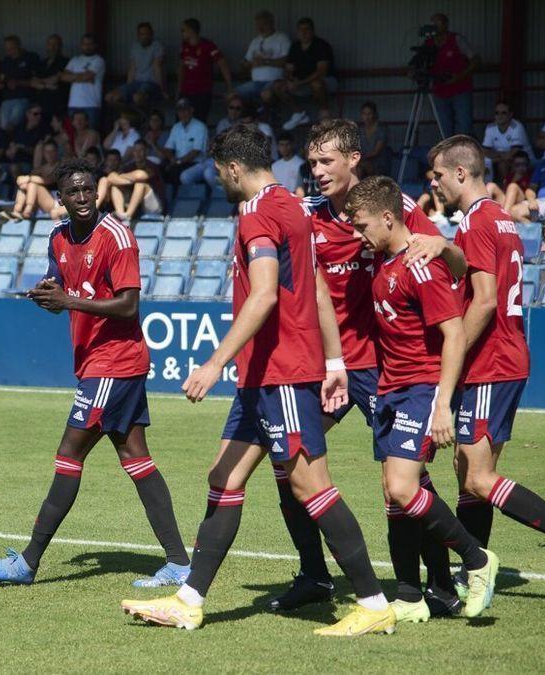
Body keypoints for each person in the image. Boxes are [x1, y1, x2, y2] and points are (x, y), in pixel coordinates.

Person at [121, 125, 394, 635]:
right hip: (264, 377)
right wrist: (334, 362)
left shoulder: (256, 213)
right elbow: (315, 288)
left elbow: (265, 293)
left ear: (231, 169)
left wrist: (214, 362)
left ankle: (375, 602)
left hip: (281, 374)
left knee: (311, 485)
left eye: (219, 172)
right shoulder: (295, 207)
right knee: (223, 477)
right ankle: (189, 599)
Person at [272, 118, 465, 617]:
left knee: (407, 479)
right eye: (311, 162)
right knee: (287, 462)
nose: (316, 171)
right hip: (327, 367)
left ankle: (440, 584)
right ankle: (314, 573)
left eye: (325, 161)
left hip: (383, 367)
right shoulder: (307, 217)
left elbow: (448, 262)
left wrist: (444, 245)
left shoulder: (391, 209)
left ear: (354, 159)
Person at [0, 158, 190, 587]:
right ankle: (180, 563)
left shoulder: (117, 236)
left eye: (87, 190)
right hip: (99, 363)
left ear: (96, 192)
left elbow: (129, 304)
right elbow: (58, 278)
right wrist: (46, 291)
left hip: (114, 362)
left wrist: (69, 302)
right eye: (72, 192)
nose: (81, 198)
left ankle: (28, 561)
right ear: (59, 198)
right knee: (137, 459)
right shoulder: (58, 236)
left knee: (68, 454)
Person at [421, 136, 545, 602]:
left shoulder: (479, 223)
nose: (435, 183)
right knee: (468, 469)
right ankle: (473, 571)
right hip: (502, 359)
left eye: (439, 175)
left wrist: (455, 354)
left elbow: (485, 300)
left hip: (491, 361)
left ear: (461, 174)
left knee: (478, 478)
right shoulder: (502, 219)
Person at [343, 175, 499, 621]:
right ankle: (411, 597)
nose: (359, 235)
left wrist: (443, 403)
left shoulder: (419, 265)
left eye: (364, 226)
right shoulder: (386, 260)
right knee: (393, 494)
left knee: (402, 487)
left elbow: (453, 336)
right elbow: (457, 260)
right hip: (390, 388)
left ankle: (477, 560)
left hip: (420, 389)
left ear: (389, 218)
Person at [272, 17, 336, 129]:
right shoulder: (295, 46)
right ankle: (298, 114)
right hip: (302, 83)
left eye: (307, 30)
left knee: (316, 84)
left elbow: (321, 71)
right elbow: (288, 68)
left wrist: (299, 83)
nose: (303, 33)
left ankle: (325, 112)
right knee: (277, 86)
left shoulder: (321, 45)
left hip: (326, 82)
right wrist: (289, 80)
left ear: (313, 31)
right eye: (300, 30)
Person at [424, 13, 479, 138]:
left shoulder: (457, 39)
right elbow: (422, 63)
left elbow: (476, 60)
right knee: (445, 131)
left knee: (464, 128)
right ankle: (450, 156)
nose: (435, 27)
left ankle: (467, 155)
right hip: (439, 93)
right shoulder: (428, 44)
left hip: (460, 90)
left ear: (446, 25)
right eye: (433, 24)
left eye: (438, 23)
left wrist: (460, 76)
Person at [177, 18, 230, 122]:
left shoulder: (208, 45)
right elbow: (181, 68)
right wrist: (178, 90)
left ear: (191, 31)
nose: (181, 33)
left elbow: (223, 64)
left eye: (183, 30)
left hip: (202, 92)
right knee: (180, 122)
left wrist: (229, 87)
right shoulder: (184, 46)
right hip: (186, 91)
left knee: (199, 122)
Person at [236, 10, 289, 109]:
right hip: (255, 82)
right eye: (258, 24)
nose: (260, 27)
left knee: (266, 94)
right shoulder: (255, 41)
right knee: (231, 95)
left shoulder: (281, 38)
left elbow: (286, 61)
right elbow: (246, 61)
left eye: (264, 24)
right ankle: (238, 122)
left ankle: (263, 119)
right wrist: (245, 64)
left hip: (273, 82)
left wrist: (265, 62)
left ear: (272, 23)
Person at [105, 22, 164, 110]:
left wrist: (161, 89)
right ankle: (129, 116)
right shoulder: (135, 46)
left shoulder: (157, 45)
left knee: (137, 97)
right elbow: (132, 68)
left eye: (147, 34)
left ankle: (142, 120)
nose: (144, 37)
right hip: (136, 83)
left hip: (150, 83)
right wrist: (128, 87)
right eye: (141, 34)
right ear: (138, 35)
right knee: (109, 97)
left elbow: (157, 67)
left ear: (151, 34)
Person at [105, 139, 165, 221]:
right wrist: (129, 180)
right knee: (115, 186)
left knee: (140, 184)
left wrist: (122, 177)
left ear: (146, 152)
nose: (138, 153)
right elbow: (111, 176)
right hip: (137, 206)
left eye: (141, 150)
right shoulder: (129, 166)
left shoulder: (152, 166)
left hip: (154, 206)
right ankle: (121, 214)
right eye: (135, 150)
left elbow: (140, 175)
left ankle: (127, 216)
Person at [61, 34, 106, 130]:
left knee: (91, 134)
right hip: (73, 104)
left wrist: (73, 77)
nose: (87, 46)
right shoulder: (74, 60)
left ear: (95, 45)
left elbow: (87, 76)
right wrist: (82, 77)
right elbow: (63, 77)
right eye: (85, 44)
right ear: (81, 45)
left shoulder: (98, 60)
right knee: (72, 134)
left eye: (90, 44)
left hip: (91, 104)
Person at [0, 35, 39, 131]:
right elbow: (2, 78)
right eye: (7, 49)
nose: (10, 51)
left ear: (19, 45)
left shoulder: (30, 57)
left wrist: (19, 83)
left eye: (12, 48)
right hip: (6, 99)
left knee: (14, 125)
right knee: (4, 127)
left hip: (23, 98)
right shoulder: (6, 61)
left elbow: (37, 80)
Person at [482, 101, 533, 180]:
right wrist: (501, 156)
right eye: (497, 113)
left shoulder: (517, 127)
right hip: (501, 159)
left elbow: (512, 153)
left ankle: (506, 187)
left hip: (524, 160)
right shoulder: (490, 127)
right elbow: (485, 151)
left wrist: (496, 157)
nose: (500, 116)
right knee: (484, 162)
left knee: (502, 164)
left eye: (503, 113)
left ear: (510, 115)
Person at [163, 98, 208, 185]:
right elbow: (168, 149)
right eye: (180, 111)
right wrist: (172, 159)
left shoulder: (200, 126)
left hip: (196, 164)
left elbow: (196, 152)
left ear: (191, 110)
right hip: (179, 163)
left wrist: (178, 162)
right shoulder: (176, 127)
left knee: (175, 172)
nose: (182, 114)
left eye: (185, 110)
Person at [31, 34, 69, 126]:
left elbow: (55, 80)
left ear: (60, 46)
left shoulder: (66, 62)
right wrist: (47, 85)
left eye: (55, 44)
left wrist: (41, 82)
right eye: (50, 44)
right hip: (41, 103)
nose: (52, 47)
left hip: (58, 104)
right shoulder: (42, 63)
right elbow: (33, 82)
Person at [357, 101, 391, 178]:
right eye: (364, 114)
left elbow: (376, 152)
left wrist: (360, 158)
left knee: (359, 169)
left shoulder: (381, 129)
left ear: (374, 114)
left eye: (369, 114)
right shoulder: (359, 130)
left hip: (379, 164)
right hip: (362, 161)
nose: (367, 117)